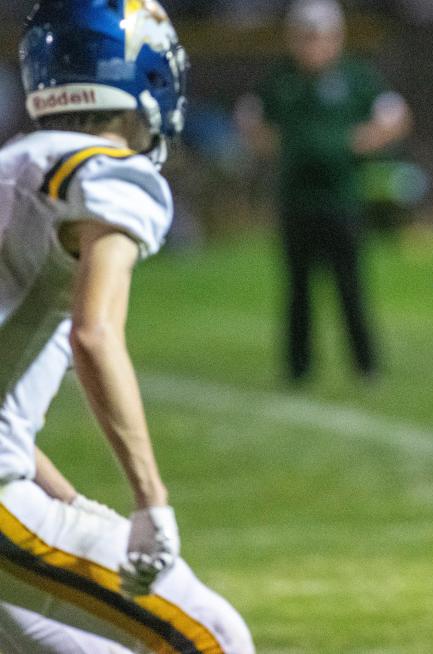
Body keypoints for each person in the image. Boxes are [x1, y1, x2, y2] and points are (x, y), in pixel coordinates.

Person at [0, 1, 254, 652]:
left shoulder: (14, 164)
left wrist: (65, 498)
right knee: (213, 637)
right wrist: (150, 499)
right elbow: (95, 336)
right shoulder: (108, 173)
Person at [237, 0, 411, 384]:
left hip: (342, 198)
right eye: (305, 36)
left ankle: (365, 366)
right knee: (297, 289)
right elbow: (250, 119)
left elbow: (395, 115)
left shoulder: (355, 75)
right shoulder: (280, 78)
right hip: (296, 200)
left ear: (335, 37)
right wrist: (280, 146)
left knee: (351, 287)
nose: (312, 44)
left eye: (319, 36)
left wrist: (362, 142)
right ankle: (298, 369)